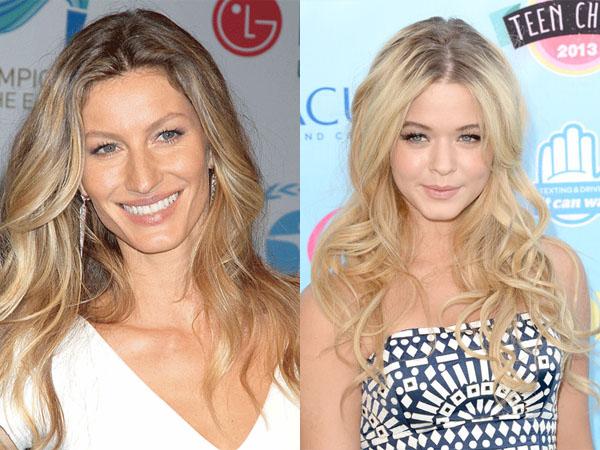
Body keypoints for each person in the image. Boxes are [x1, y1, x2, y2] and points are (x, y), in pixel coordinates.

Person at [0, 9, 298, 450]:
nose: (142, 179)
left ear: (212, 146)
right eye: (106, 148)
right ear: (75, 176)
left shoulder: (309, 323)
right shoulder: (35, 361)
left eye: (167, 135)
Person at [301, 17, 598, 450]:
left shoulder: (552, 272)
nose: (443, 164)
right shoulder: (338, 305)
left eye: (469, 137)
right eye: (416, 137)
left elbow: (574, 438)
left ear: (497, 142)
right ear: (382, 141)